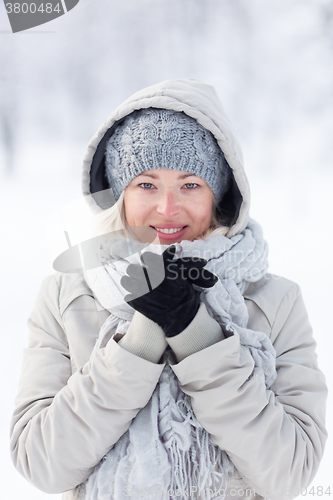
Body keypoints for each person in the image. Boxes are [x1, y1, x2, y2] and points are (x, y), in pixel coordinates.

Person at [10, 79, 328, 500]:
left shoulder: (275, 301)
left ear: (219, 196)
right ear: (120, 194)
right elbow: (43, 465)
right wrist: (140, 342)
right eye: (146, 184)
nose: (167, 208)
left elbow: (288, 473)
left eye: (190, 184)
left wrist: (198, 337)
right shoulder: (67, 297)